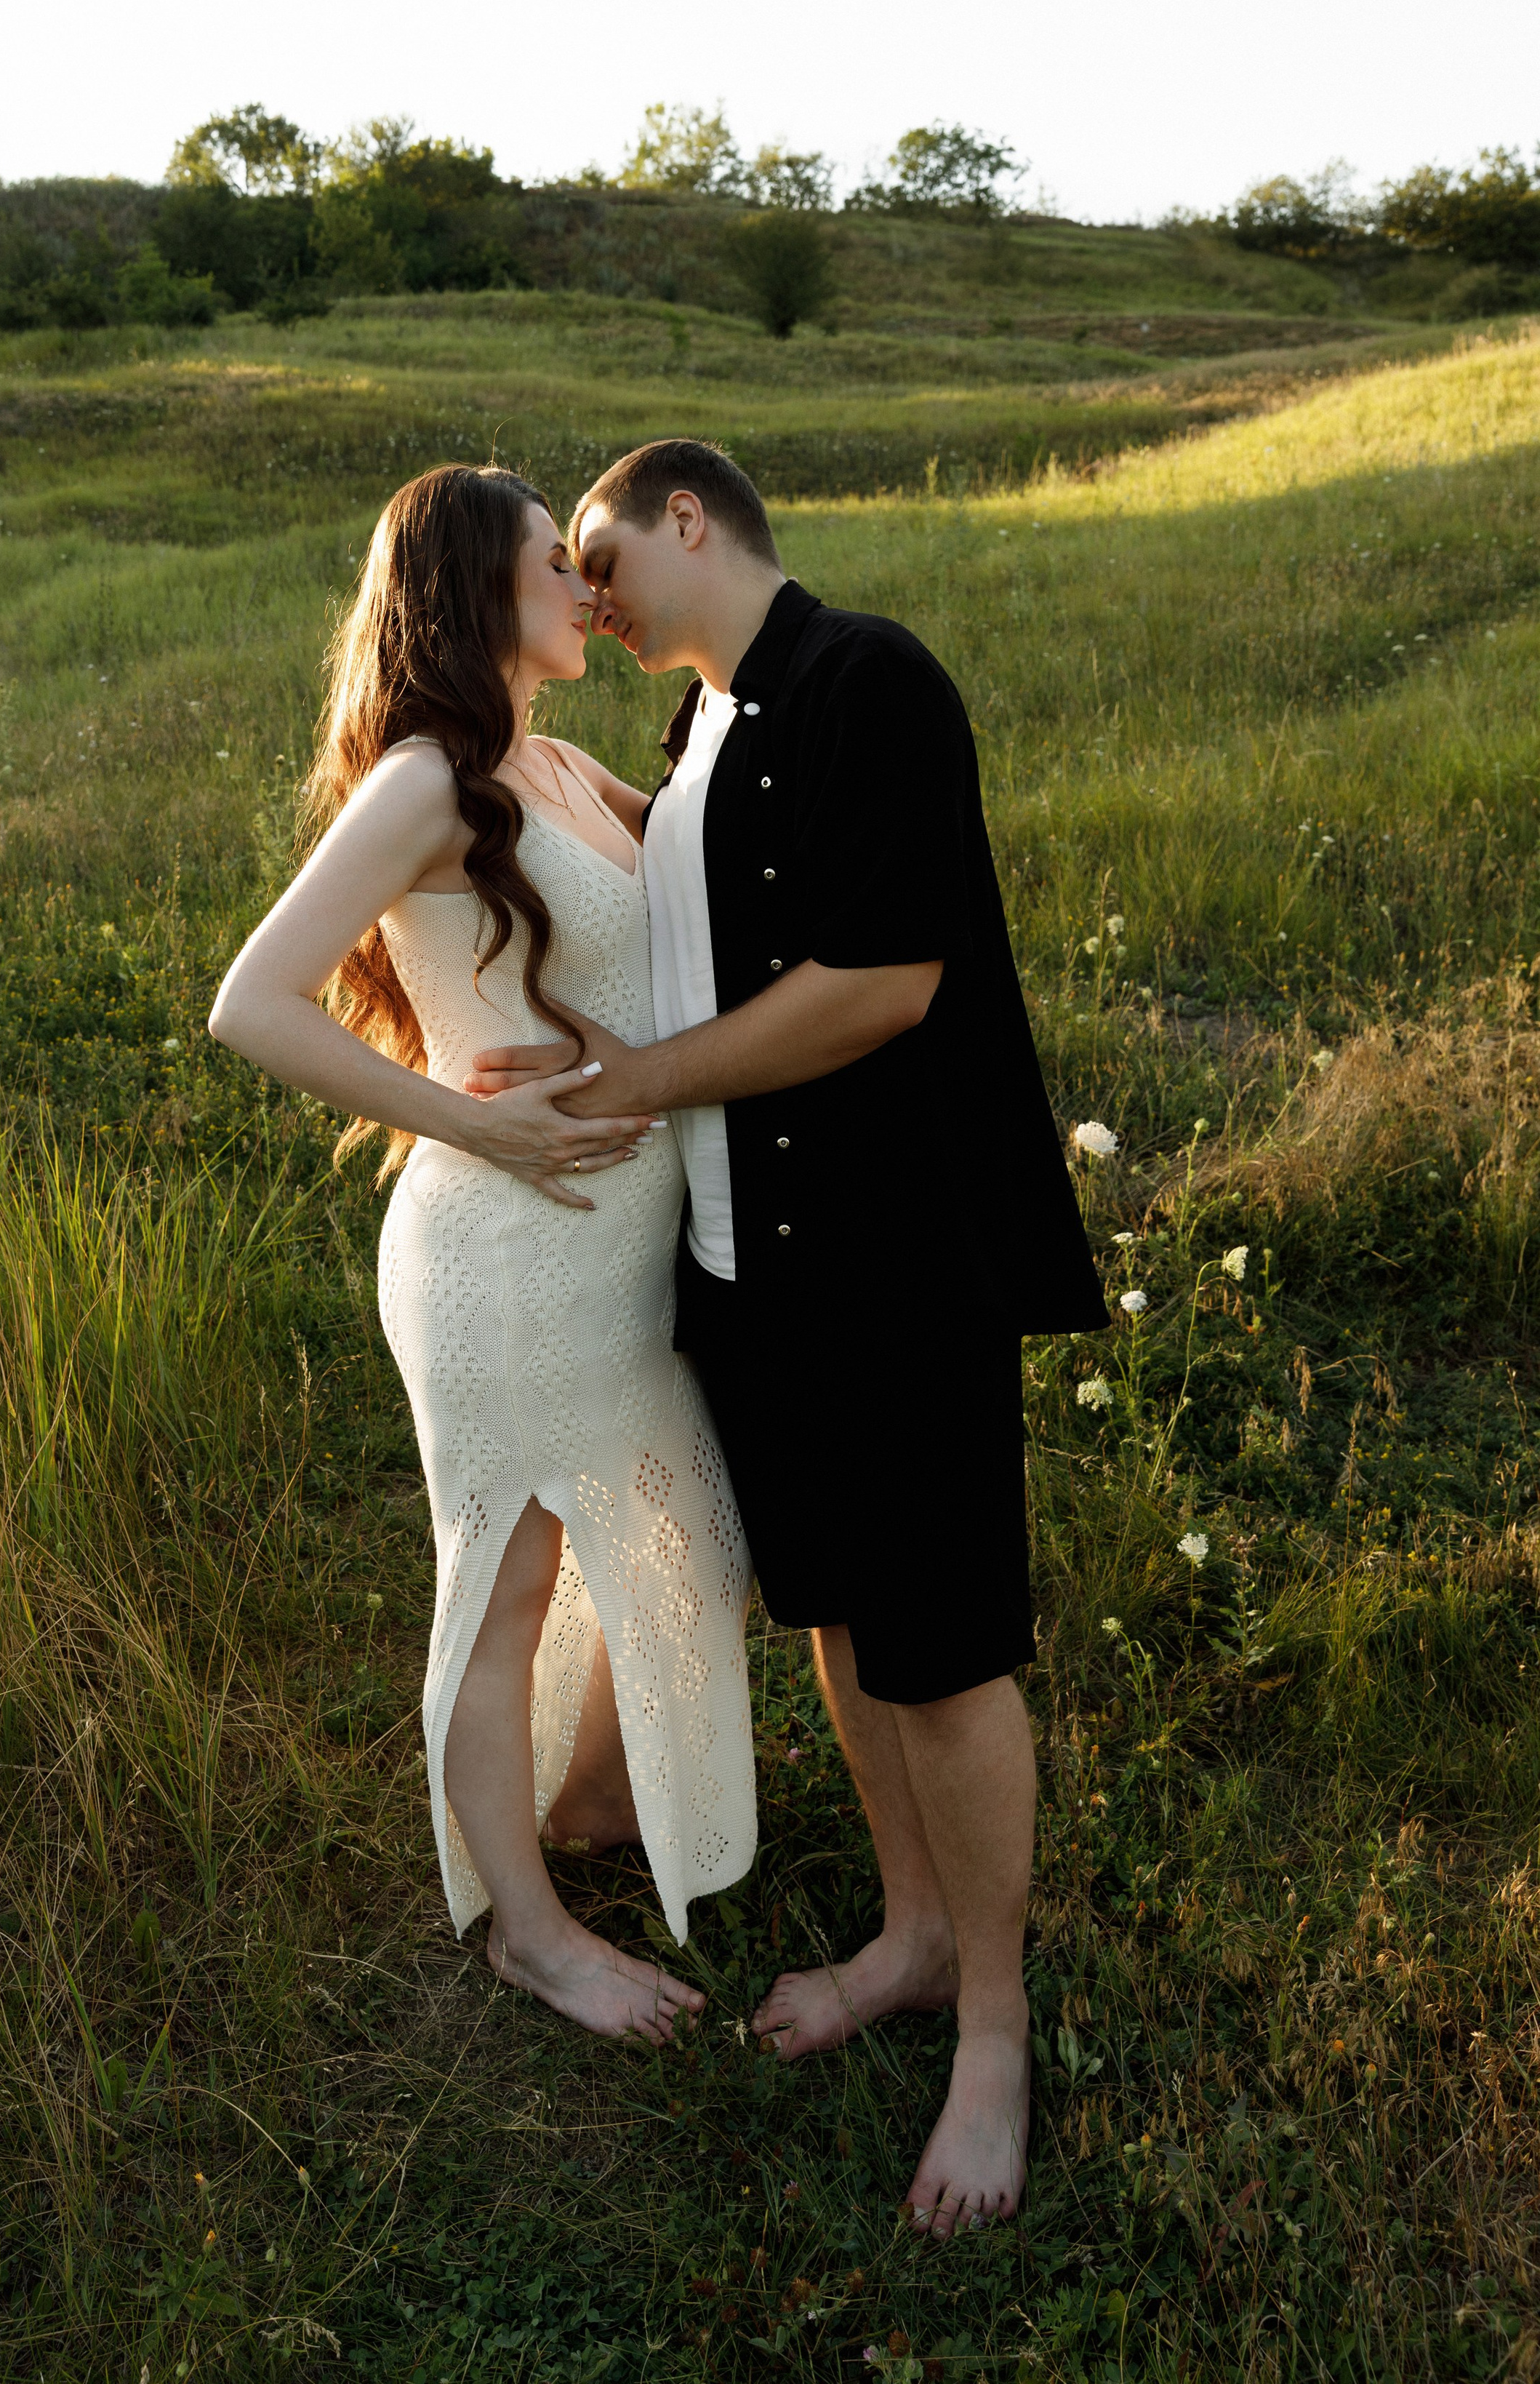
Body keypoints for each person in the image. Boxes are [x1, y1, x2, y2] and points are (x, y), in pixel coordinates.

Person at [466, 439, 1107, 2231]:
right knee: (832, 1610)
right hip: (748, 1273)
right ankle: (907, 1932)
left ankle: (992, 2024)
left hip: (896, 1265)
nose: (590, 596)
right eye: (565, 576)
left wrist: (644, 1082)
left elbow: (879, 981)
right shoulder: (695, 735)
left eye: (601, 557)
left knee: (944, 1645)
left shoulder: (861, 679)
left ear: (690, 518)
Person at [207, 462, 755, 2046]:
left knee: (683, 1544)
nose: (586, 593)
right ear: (467, 589)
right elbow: (252, 1002)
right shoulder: (429, 783)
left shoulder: (562, 761)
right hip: (502, 1250)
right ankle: (526, 1930)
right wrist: (475, 1124)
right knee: (506, 1578)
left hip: (615, 1247)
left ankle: (584, 1805)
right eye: (550, 564)